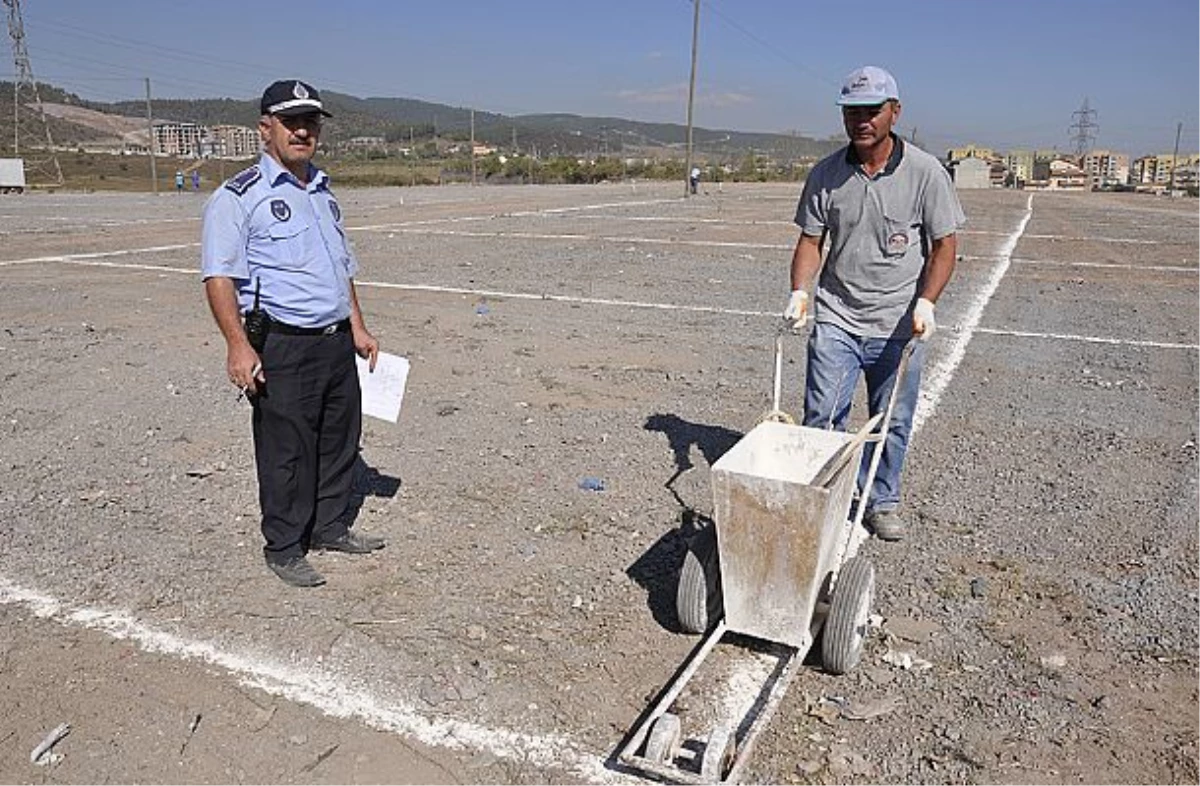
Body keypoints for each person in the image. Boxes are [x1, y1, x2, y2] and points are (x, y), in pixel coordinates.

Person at [201, 79, 385, 587]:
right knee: (286, 450)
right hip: (281, 343)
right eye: (291, 122)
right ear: (266, 129)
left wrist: (358, 326)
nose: (303, 131)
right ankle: (284, 545)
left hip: (333, 341)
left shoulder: (323, 194)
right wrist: (238, 345)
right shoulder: (239, 198)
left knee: (338, 439)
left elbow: (339, 267)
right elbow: (219, 275)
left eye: (311, 122)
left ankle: (328, 526)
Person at [783, 65, 965, 542]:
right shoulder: (825, 175)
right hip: (839, 318)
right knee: (822, 417)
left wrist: (927, 302)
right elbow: (810, 241)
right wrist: (800, 292)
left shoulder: (926, 173)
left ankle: (881, 500)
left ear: (894, 112)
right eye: (852, 111)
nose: (861, 120)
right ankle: (826, 496)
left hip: (899, 325)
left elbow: (945, 246)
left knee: (892, 421)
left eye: (872, 110)